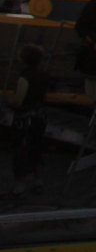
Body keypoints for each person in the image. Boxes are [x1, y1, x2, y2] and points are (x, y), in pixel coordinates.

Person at [8, 43, 49, 194]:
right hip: (40, 117)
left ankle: (20, 186)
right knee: (36, 149)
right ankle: (38, 182)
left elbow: (19, 101)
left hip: (24, 120)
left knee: (20, 151)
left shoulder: (24, 77)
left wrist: (9, 103)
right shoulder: (44, 75)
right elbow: (45, 97)